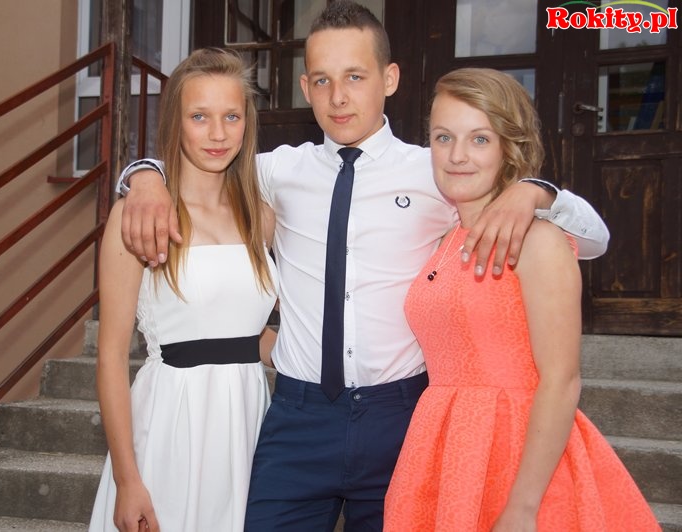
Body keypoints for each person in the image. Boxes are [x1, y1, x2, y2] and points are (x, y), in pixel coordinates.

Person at [115, 3, 610, 530]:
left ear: (389, 79)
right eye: (323, 80)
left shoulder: (437, 169)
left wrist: (536, 191)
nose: (339, 97)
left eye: (355, 76)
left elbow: (593, 238)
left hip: (399, 417)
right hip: (298, 416)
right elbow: (199, 161)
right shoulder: (279, 170)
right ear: (305, 87)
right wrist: (142, 175)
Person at [383, 67, 659, 532]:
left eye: (480, 139)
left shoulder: (539, 240)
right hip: (442, 448)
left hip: (518, 451)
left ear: (509, 146)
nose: (457, 156)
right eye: (443, 137)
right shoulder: (444, 238)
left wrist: (523, 507)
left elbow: (562, 380)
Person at [87, 48, 279, 532]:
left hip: (247, 423)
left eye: (231, 116)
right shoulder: (139, 217)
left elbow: (248, 334)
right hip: (171, 426)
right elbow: (111, 357)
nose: (218, 134)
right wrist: (128, 480)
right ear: (176, 122)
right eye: (200, 117)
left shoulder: (261, 216)